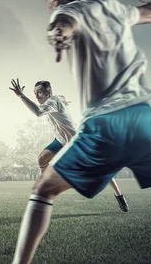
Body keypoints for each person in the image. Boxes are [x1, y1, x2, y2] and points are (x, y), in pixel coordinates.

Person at [11, 0, 151, 264]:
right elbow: (149, 14)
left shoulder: (66, 11)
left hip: (105, 123)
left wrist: (59, 35)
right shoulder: (113, 6)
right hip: (145, 116)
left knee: (43, 190)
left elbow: (64, 24)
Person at [9, 79, 128, 212]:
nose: (37, 96)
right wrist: (64, 100)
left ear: (48, 92)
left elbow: (37, 112)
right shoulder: (56, 99)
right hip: (61, 140)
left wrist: (21, 95)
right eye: (35, 93)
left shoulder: (52, 102)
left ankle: (119, 195)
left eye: (40, 92)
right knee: (42, 158)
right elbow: (62, 97)